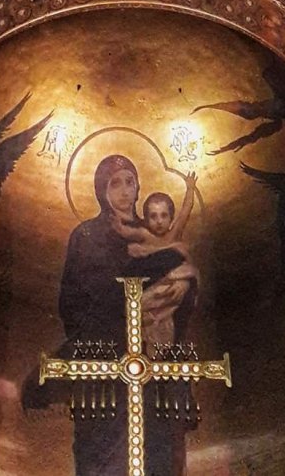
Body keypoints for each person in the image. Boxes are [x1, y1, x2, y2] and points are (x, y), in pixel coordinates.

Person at [29, 153, 196, 475]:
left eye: (129, 182)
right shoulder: (86, 236)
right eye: (114, 183)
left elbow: (183, 293)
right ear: (101, 190)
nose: (124, 191)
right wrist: (128, 301)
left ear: (138, 187)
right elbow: (72, 303)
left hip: (152, 362)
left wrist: (183, 286)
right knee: (99, 449)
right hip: (102, 363)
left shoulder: (155, 233)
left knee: (157, 449)